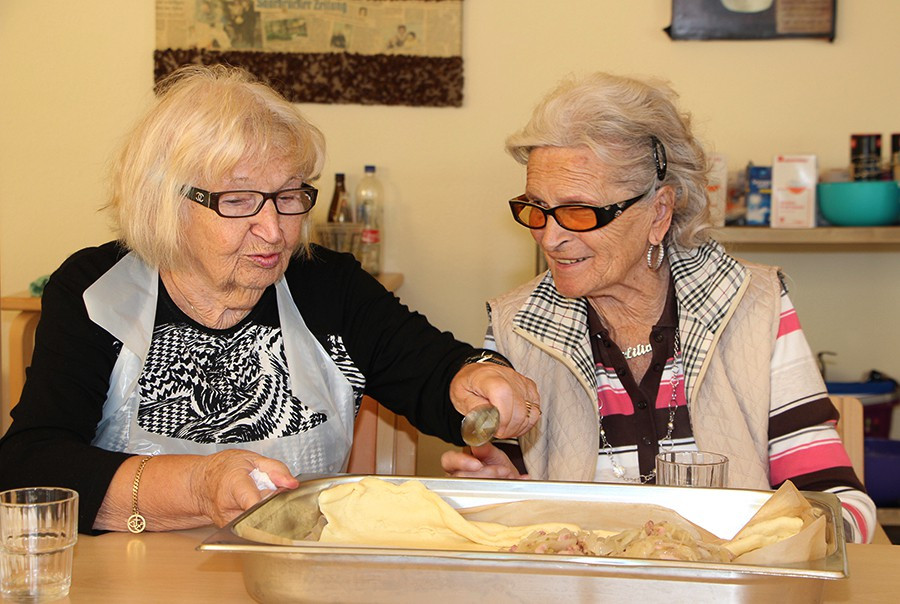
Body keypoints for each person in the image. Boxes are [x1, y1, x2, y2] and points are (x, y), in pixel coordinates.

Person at [0, 65, 539, 534]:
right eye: (237, 200)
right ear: (166, 202)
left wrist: (479, 378)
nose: (274, 229)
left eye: (288, 196)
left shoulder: (324, 284)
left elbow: (434, 373)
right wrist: (198, 484)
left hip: (295, 568)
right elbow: (34, 464)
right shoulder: (98, 290)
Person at [441, 72, 876, 544]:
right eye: (537, 208)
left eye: (580, 211)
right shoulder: (516, 326)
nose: (550, 236)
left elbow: (839, 509)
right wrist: (497, 500)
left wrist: (739, 551)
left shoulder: (753, 305)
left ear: (659, 212)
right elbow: (508, 520)